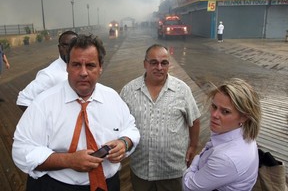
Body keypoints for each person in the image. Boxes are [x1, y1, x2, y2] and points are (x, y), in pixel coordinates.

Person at [12, 34, 140, 191]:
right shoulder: (43, 103)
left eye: (91, 65)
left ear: (101, 67)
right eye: (76, 65)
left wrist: (124, 142)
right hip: (59, 187)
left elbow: (131, 127)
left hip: (109, 185)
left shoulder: (112, 97)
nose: (83, 72)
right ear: (67, 67)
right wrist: (68, 160)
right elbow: (21, 150)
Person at [120, 44, 201, 191]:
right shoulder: (129, 90)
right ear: (145, 64)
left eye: (164, 63)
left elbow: (194, 119)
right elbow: (120, 123)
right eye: (153, 62)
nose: (159, 67)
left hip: (172, 171)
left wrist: (193, 145)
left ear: (168, 65)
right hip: (141, 169)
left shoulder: (182, 90)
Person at [183, 78, 261, 191]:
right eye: (214, 107)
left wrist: (196, 160)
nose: (214, 115)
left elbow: (188, 186)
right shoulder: (243, 133)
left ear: (244, 117)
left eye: (225, 112)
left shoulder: (226, 159)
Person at [16, 30, 78, 111]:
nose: (70, 49)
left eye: (74, 45)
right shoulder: (50, 73)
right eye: (66, 45)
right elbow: (23, 100)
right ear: (59, 48)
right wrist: (44, 120)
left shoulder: (80, 68)